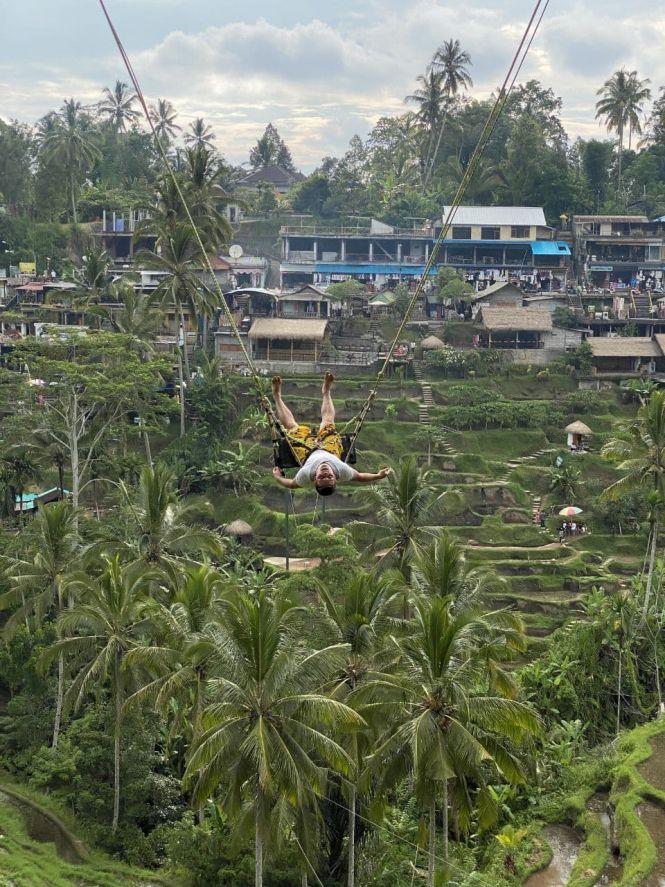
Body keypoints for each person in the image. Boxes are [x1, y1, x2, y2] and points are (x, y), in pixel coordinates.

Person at [271, 372, 392, 496]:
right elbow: (360, 477)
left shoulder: (305, 475)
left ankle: (277, 396)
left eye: (322, 477)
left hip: (307, 452)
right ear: (336, 478)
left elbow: (291, 484)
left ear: (315, 480)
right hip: (330, 449)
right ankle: (326, 391)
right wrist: (378, 475)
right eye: (330, 476)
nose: (325, 473)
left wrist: (278, 477)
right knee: (328, 422)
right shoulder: (343, 472)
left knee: (292, 427)